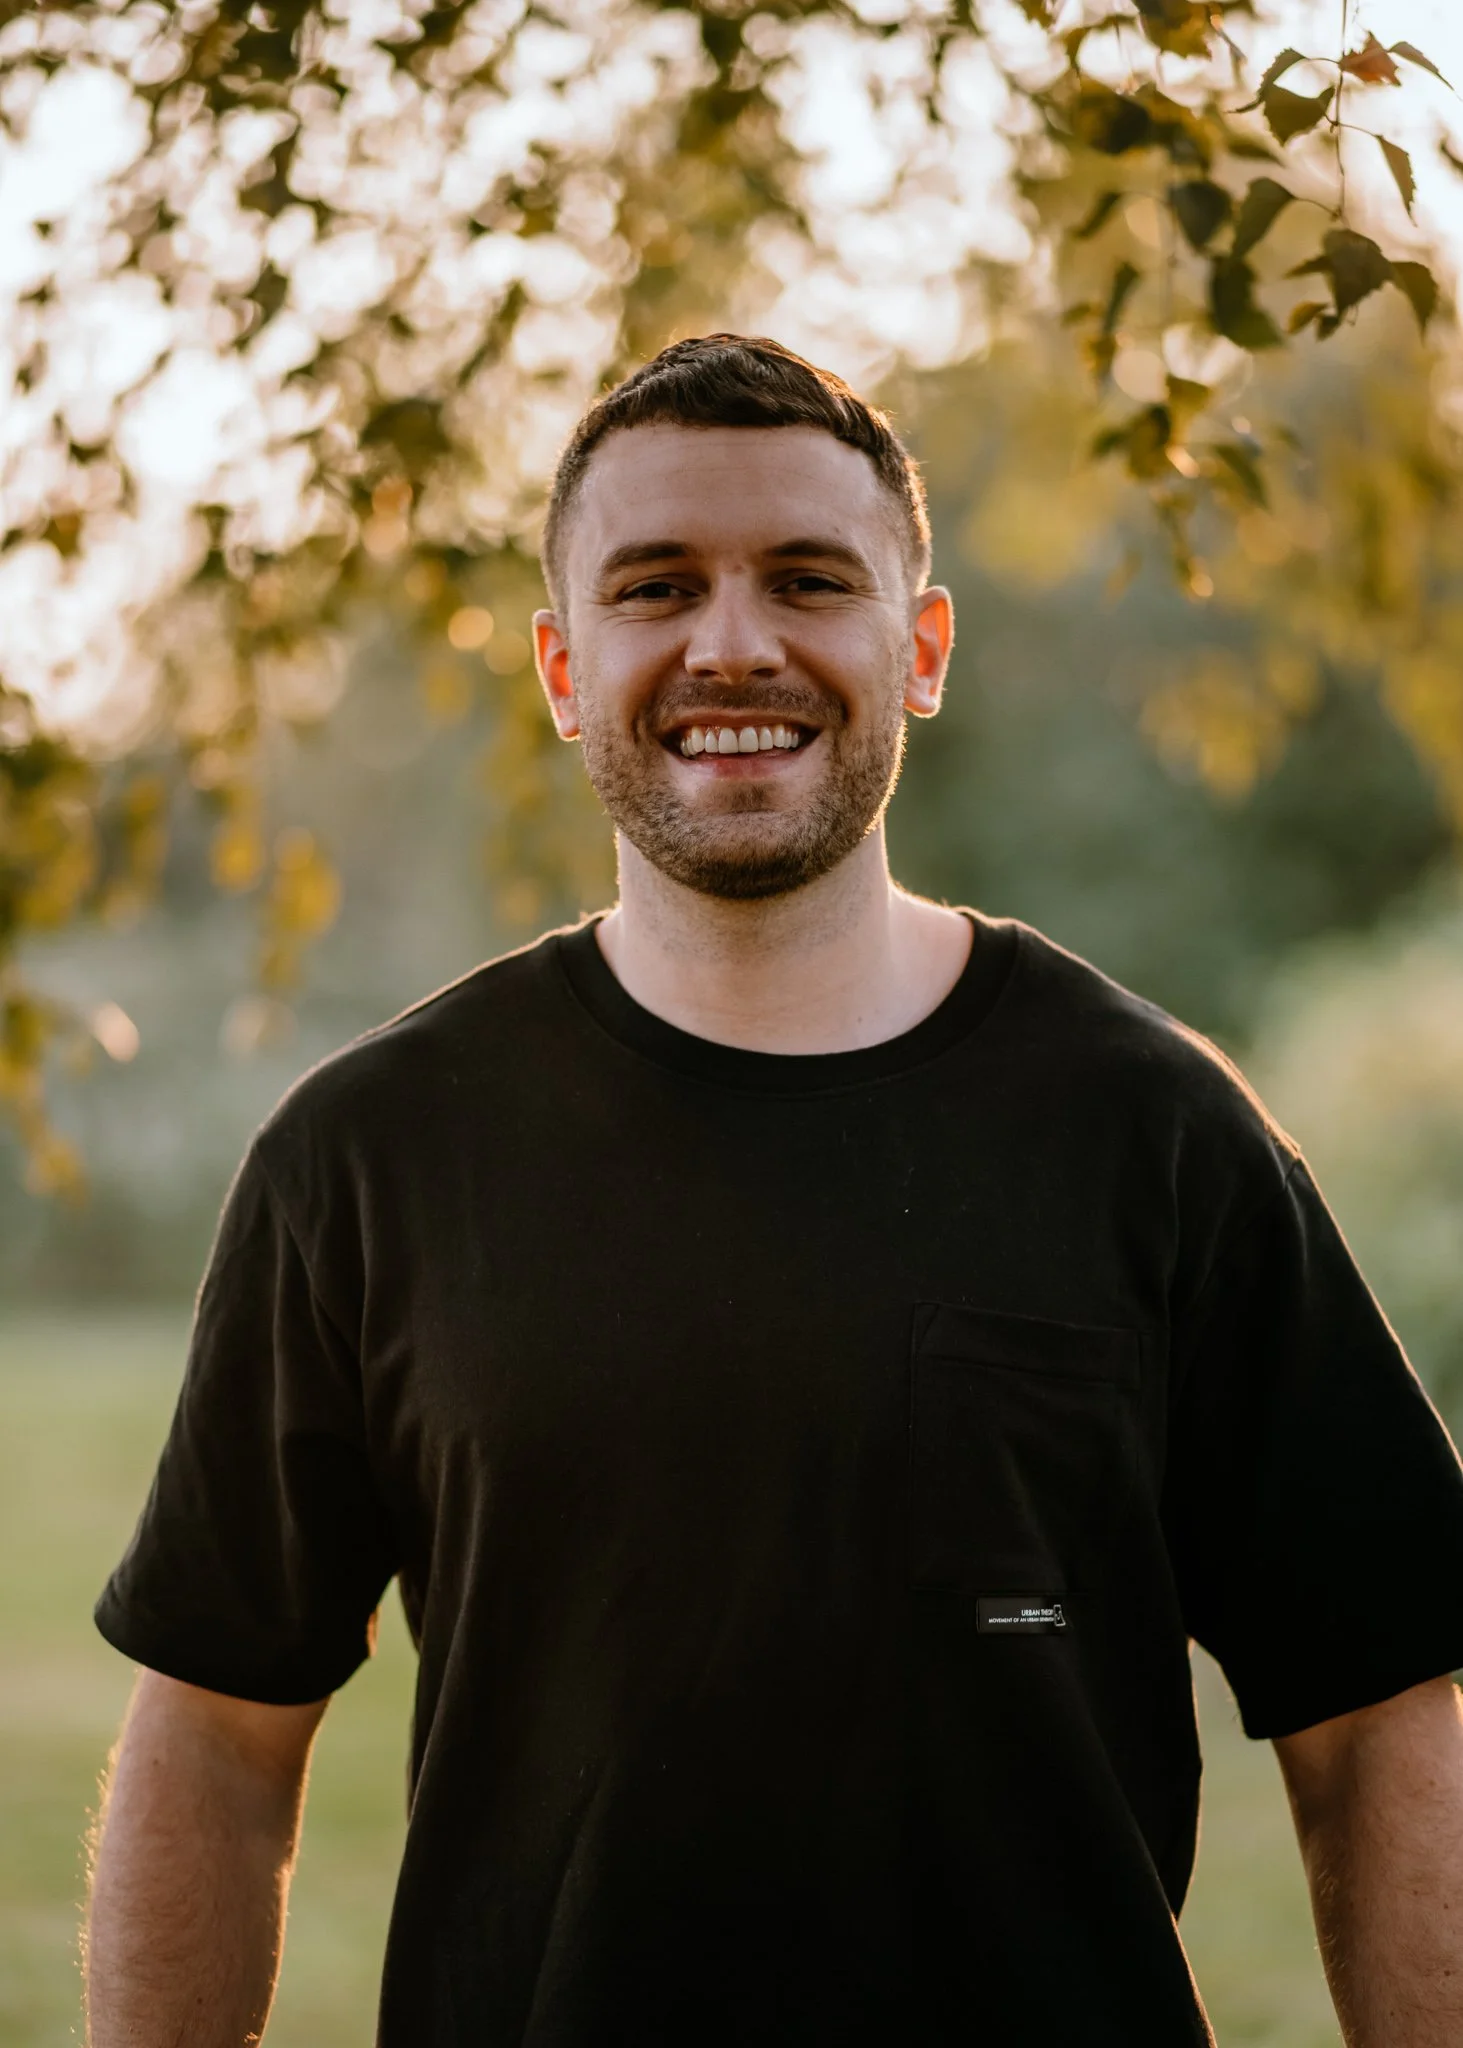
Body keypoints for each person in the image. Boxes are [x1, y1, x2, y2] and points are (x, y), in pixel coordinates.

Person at [87, 334, 1463, 2048]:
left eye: (807, 580)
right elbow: (217, 1740)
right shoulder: (370, 1157)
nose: (731, 644)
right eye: (654, 588)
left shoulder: (1156, 1132)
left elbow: (1380, 1713)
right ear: (563, 665)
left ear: (922, 644)